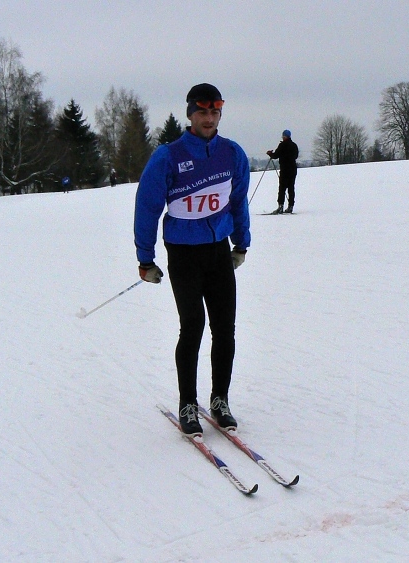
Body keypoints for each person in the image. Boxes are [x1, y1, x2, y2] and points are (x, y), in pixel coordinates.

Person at [134, 83, 251, 436]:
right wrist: (145, 259)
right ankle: (188, 403)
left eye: (215, 112)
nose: (209, 118)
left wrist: (241, 244)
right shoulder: (168, 156)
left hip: (218, 251)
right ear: (190, 114)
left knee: (225, 329)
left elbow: (238, 202)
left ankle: (220, 400)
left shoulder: (232, 153)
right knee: (193, 326)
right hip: (183, 252)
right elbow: (147, 208)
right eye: (202, 112)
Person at [266, 129, 299, 214]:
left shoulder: (282, 145)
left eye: (283, 136)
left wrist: (270, 154)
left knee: (282, 188)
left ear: (284, 136)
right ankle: (290, 206)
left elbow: (276, 155)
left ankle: (280, 206)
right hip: (293, 169)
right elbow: (296, 156)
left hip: (285, 169)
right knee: (291, 188)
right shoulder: (294, 145)